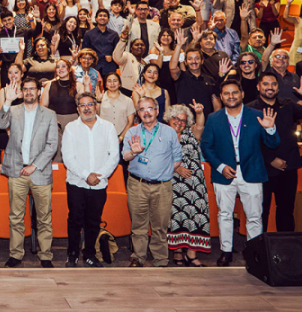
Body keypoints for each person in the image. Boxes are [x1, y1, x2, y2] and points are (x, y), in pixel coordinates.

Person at [200, 80, 279, 267]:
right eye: (226, 93)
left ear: (242, 94)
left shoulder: (258, 115)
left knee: (254, 216)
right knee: (224, 214)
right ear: (221, 97)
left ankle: (254, 253)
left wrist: (270, 129)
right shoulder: (213, 118)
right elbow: (206, 146)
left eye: (234, 92)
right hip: (223, 173)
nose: (231, 96)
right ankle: (226, 251)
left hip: (252, 171)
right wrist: (220, 166)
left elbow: (273, 144)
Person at [0, 77, 58, 267]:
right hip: (16, 171)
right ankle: (16, 254)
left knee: (44, 217)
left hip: (40, 172)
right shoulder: (13, 110)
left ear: (39, 92)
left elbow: (52, 145)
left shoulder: (49, 114)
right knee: (16, 216)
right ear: (22, 92)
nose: (29, 92)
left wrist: (35, 165)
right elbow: (0, 124)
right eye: (25, 89)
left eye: (32, 89)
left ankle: (45, 255)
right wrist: (7, 101)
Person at [248, 73, 302, 233]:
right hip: (262, 167)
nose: (269, 87)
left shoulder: (288, 104)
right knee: (260, 210)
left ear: (278, 87)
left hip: (288, 166)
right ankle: (260, 245)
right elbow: (249, 140)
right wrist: (270, 159)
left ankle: (285, 245)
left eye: (273, 84)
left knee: (286, 210)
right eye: (265, 84)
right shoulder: (249, 109)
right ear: (258, 87)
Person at [121, 96, 183, 267]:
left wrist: (164, 172)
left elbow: (178, 158)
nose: (146, 112)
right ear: (138, 113)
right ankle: (138, 256)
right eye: (142, 109)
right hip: (137, 185)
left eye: (150, 108)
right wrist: (134, 152)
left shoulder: (169, 132)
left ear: (157, 111)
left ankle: (161, 259)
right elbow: (125, 156)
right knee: (138, 224)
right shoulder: (132, 132)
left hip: (162, 186)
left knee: (160, 225)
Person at [60, 93, 120, 268]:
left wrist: (99, 175)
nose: (87, 108)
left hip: (99, 184)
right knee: (75, 220)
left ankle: (89, 254)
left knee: (94, 221)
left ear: (96, 106)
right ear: (78, 109)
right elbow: (68, 158)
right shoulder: (71, 128)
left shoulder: (108, 127)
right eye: (82, 105)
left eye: (90, 104)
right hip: (76, 183)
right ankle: (72, 254)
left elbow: (114, 156)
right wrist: (87, 175)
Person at [163, 101, 210, 267]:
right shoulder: (162, 134)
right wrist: (176, 168)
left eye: (183, 120)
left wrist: (199, 112)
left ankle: (191, 254)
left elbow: (201, 125)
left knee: (195, 216)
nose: (179, 122)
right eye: (175, 118)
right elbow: (157, 158)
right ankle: (177, 251)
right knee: (175, 217)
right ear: (169, 119)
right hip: (171, 181)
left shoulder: (191, 133)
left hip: (194, 184)